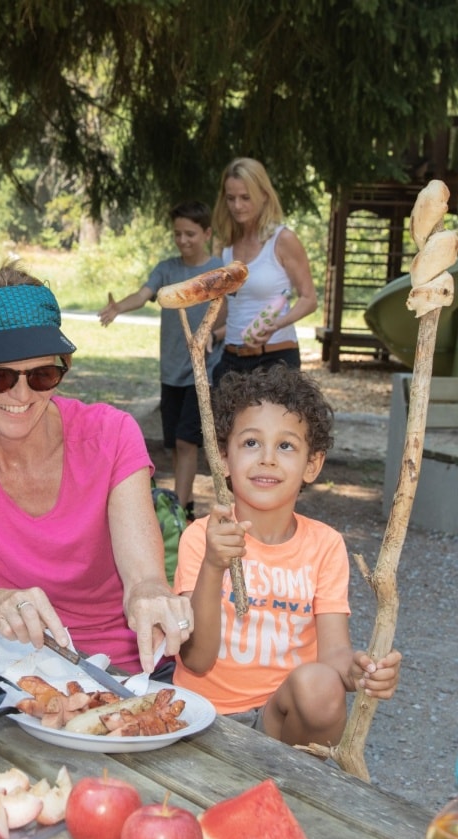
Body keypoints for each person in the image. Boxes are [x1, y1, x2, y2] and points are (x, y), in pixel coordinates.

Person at [0, 265, 193, 675]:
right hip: (25, 669)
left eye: (42, 374)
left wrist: (150, 594)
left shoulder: (111, 435)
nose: (21, 395)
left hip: (134, 669)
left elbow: (143, 576)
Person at [174, 366, 401, 745]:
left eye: (286, 446)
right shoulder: (202, 537)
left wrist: (360, 672)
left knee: (320, 685)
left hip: (281, 722)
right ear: (223, 456)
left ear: (312, 464)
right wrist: (215, 565)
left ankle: (300, 793)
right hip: (205, 717)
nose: (267, 459)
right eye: (250, 443)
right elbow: (196, 660)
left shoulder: (325, 545)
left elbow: (333, 656)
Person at [99, 200, 224, 517]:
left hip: (203, 371)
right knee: (174, 445)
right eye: (178, 234)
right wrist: (118, 308)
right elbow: (143, 294)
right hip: (171, 369)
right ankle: (187, 502)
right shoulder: (167, 269)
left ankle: (178, 511)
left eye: (190, 234)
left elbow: (233, 316)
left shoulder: (218, 270)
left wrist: (217, 334)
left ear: (207, 233)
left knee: (186, 441)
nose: (183, 240)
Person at [211, 157, 318, 383]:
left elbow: (309, 299)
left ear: (264, 195)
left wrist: (276, 324)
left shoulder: (282, 239)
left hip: (275, 359)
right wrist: (205, 332)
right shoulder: (226, 245)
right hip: (231, 359)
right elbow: (230, 303)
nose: (237, 206)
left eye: (245, 197)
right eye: (231, 198)